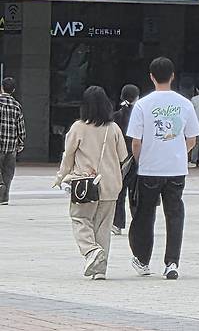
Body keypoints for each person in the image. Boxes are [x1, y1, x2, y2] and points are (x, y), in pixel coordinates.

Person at [127, 57, 199, 280]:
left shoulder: (142, 104)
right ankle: (172, 262)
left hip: (149, 168)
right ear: (173, 76)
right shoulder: (185, 104)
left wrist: (140, 160)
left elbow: (136, 141)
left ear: (151, 76)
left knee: (145, 214)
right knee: (175, 214)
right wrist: (178, 153)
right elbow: (192, 138)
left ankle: (142, 260)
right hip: (176, 169)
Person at [53, 86, 128, 280]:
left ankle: (91, 251)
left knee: (80, 219)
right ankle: (100, 270)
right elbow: (123, 157)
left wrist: (61, 177)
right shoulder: (113, 128)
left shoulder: (78, 127)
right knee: (103, 226)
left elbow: (68, 156)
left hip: (85, 184)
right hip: (110, 184)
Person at [111, 84, 140, 236]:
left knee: (119, 192)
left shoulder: (116, 116)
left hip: (120, 159)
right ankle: (139, 223)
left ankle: (117, 224)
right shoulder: (141, 115)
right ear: (137, 98)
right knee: (135, 193)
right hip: (137, 158)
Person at [0, 77, 25, 206]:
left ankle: (0, 188)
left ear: (1, 88)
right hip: (11, 146)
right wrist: (21, 143)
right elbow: (21, 127)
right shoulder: (16, 105)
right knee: (8, 173)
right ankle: (4, 197)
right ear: (13, 90)